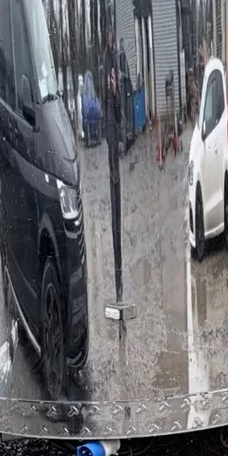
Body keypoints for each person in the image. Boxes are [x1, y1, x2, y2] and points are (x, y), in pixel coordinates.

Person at [103, 25, 123, 299]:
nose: (110, 38)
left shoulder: (118, 59)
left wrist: (118, 89)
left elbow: (124, 89)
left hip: (116, 118)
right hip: (108, 117)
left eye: (112, 34)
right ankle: (113, 173)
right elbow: (102, 90)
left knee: (116, 143)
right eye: (108, 34)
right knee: (111, 154)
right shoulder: (104, 62)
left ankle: (117, 171)